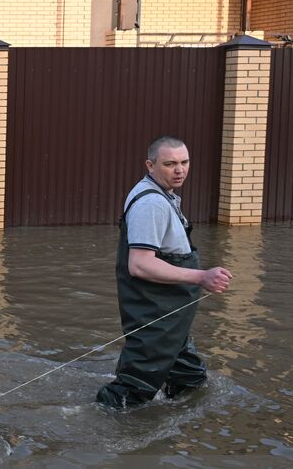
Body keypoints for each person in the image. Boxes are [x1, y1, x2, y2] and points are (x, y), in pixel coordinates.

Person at [96, 136, 233, 409]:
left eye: (184, 162)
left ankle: (184, 422)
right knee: (132, 392)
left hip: (172, 314)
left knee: (190, 379)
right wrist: (202, 277)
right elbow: (140, 264)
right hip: (156, 314)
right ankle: (91, 425)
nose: (179, 169)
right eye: (170, 164)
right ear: (150, 165)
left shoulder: (161, 195)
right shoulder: (152, 204)